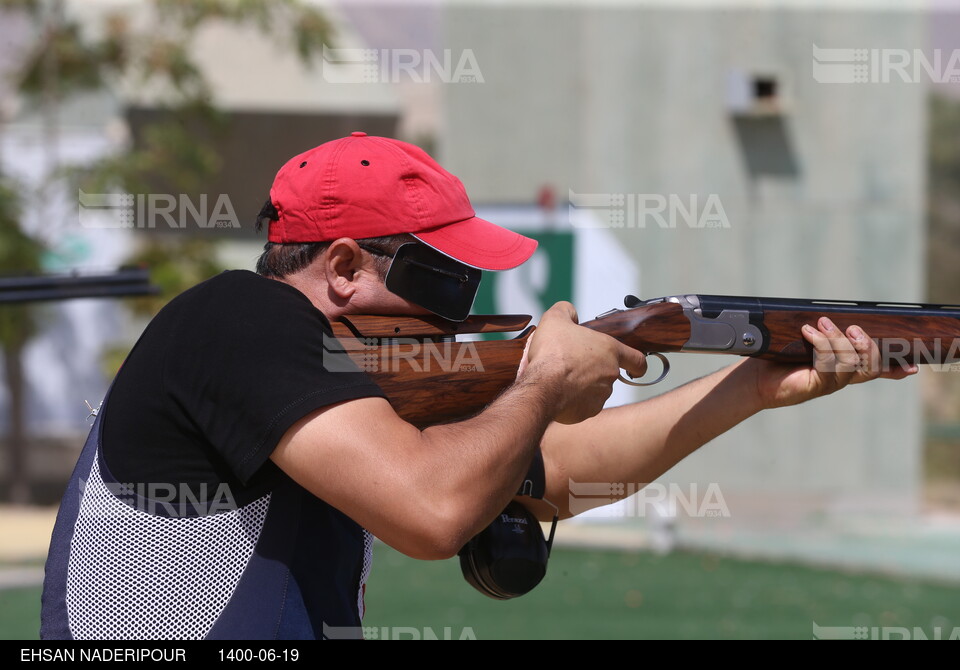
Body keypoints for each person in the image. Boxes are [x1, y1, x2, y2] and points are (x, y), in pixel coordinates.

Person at [40, 132, 915, 640]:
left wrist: (755, 386)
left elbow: (560, 474)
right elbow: (430, 510)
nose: (463, 306)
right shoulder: (239, 316)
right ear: (342, 267)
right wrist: (537, 382)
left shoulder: (339, 373)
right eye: (441, 281)